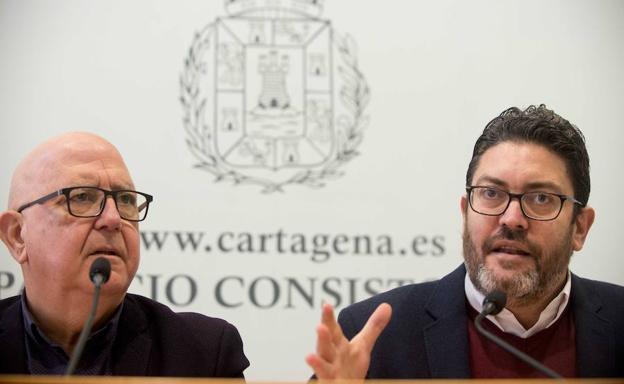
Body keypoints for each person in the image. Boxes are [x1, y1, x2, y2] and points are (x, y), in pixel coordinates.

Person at [305, 105, 624, 378]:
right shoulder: (376, 340)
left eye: (540, 197)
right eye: (491, 193)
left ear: (580, 227)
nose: (511, 218)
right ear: (465, 212)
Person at [0, 132, 249, 376]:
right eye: (82, 197)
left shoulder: (202, 354)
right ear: (17, 235)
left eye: (126, 199)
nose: (113, 218)